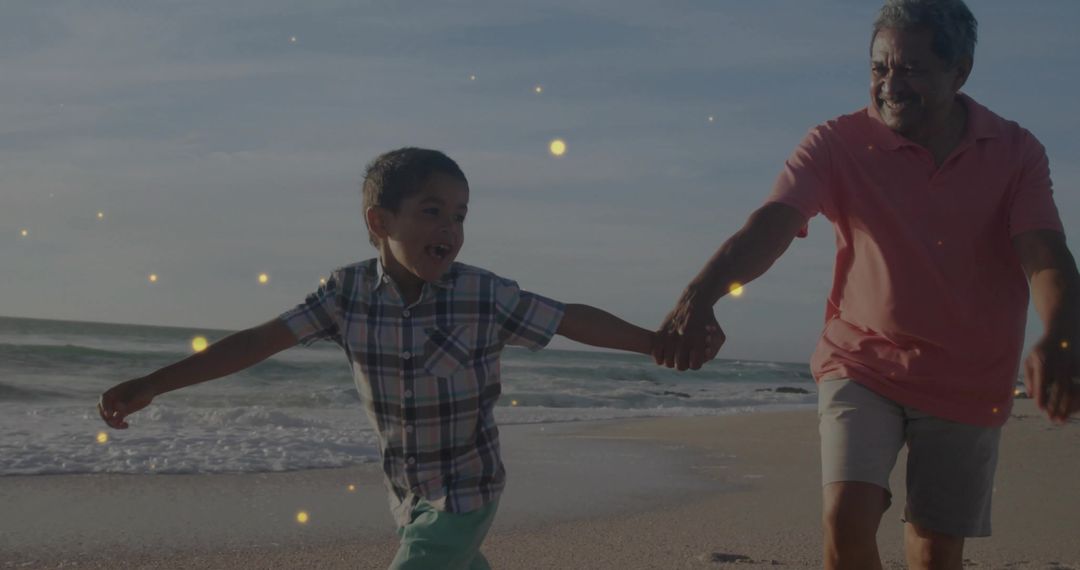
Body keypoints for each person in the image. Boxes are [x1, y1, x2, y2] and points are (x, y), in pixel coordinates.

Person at [653, 1, 1079, 569]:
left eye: (911, 70)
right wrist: (699, 295)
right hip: (862, 361)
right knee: (846, 518)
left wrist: (1061, 333)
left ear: (961, 72)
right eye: (879, 69)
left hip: (969, 375)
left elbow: (1045, 255)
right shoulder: (835, 143)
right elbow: (772, 223)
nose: (890, 85)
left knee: (933, 549)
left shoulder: (1015, 152)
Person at [98, 147, 665, 570]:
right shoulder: (346, 296)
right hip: (408, 492)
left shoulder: (482, 294)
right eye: (432, 212)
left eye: (461, 216)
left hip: (467, 489)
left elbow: (569, 318)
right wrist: (155, 382)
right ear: (380, 222)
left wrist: (653, 343)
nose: (450, 229)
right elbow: (258, 341)